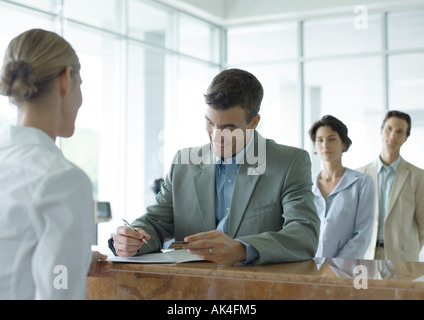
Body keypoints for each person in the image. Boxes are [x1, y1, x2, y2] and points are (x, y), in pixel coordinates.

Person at [110, 68, 320, 265]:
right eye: (210, 123)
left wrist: (242, 249)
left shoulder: (289, 162)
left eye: (229, 128)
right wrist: (132, 238)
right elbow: (156, 222)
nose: (216, 136)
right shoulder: (184, 162)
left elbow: (304, 234)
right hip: (189, 291)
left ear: (254, 122)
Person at [0, 29, 110, 300]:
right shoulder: (64, 180)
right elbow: (59, 294)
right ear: (64, 79)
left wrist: (77, 259)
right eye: (80, 83)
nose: (82, 99)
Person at [357, 110, 424, 261]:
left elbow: (423, 225)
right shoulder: (360, 175)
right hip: (366, 256)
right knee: (362, 286)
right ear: (381, 131)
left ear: (406, 137)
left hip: (403, 258)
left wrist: (409, 249)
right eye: (389, 129)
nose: (393, 135)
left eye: (400, 131)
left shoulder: (419, 177)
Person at [309, 115, 375, 259]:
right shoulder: (306, 184)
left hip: (346, 268)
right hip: (308, 266)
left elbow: (363, 233)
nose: (325, 145)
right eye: (320, 140)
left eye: (331, 139)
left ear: (344, 144)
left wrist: (336, 266)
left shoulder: (362, 182)